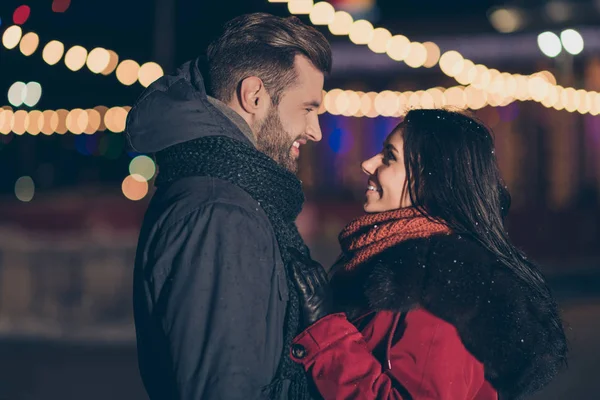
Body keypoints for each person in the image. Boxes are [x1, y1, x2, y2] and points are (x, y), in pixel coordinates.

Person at [288, 109, 568, 399]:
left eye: (389, 157)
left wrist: (326, 333)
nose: (366, 164)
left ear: (430, 181)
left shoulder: (444, 286)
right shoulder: (386, 259)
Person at [125, 13, 332, 400]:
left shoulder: (234, 194)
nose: (316, 129)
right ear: (255, 96)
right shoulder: (221, 213)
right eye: (308, 108)